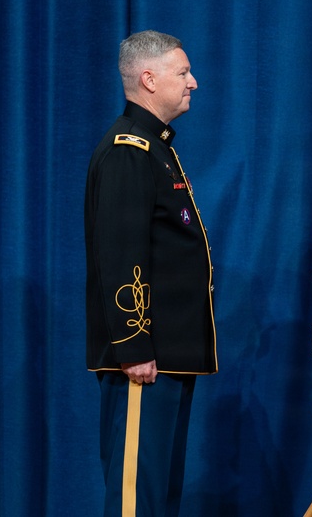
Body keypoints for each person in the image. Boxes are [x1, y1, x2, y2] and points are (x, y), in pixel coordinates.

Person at [85, 30, 216, 517]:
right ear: (149, 79)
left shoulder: (155, 148)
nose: (193, 82)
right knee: (136, 498)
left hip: (168, 355)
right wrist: (134, 344)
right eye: (183, 72)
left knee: (159, 497)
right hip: (145, 357)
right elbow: (121, 252)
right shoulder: (130, 150)